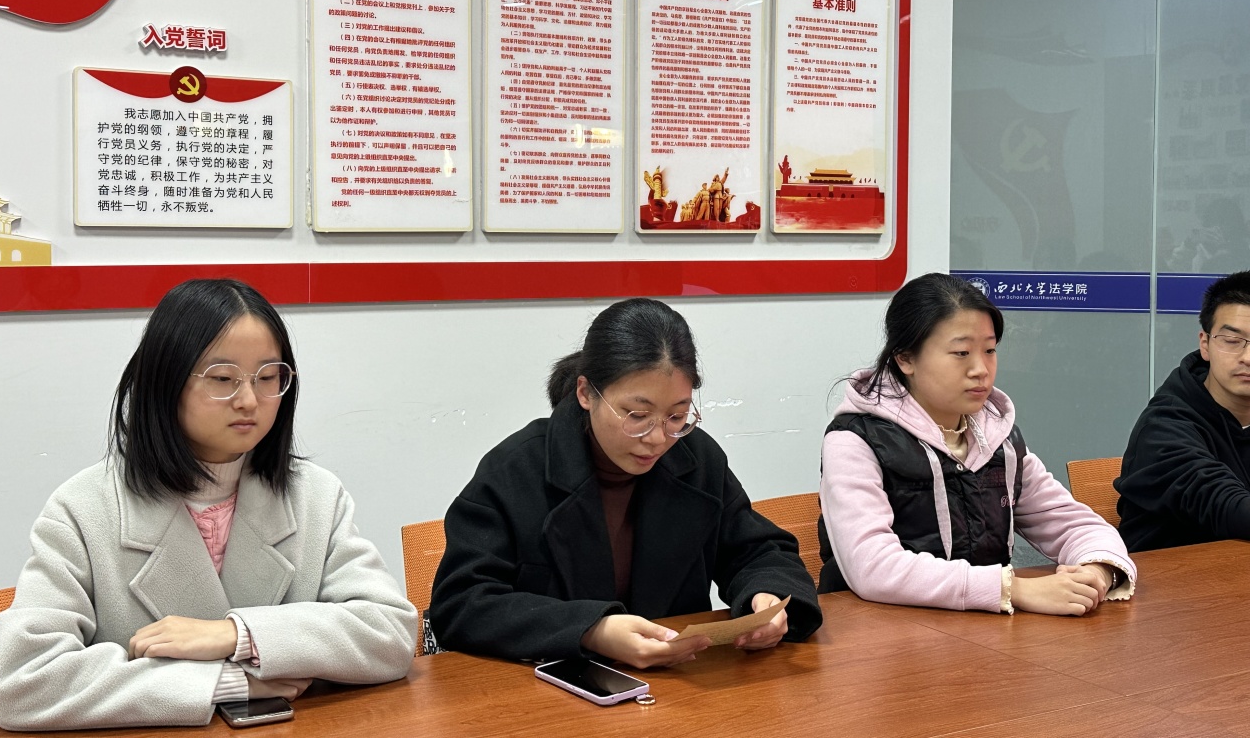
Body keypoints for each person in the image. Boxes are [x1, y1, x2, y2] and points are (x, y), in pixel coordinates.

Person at [0, 279, 417, 731]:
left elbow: (390, 633)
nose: (249, 400)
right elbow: (22, 684)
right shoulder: (83, 509)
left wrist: (237, 634)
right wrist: (224, 682)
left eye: (268, 377)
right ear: (166, 381)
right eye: (222, 379)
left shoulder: (315, 495)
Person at [429, 297, 822, 668]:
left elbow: (759, 552)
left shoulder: (696, 459)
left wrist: (766, 595)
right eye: (637, 415)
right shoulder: (516, 469)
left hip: (679, 685)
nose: (658, 438)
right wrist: (591, 630)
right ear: (586, 392)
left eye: (676, 416)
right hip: (551, 688)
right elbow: (462, 603)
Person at [819, 273, 1136, 616]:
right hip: (879, 633)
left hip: (985, 631)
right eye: (961, 353)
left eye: (989, 350)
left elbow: (1074, 525)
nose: (980, 369)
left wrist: (1095, 572)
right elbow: (873, 567)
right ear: (905, 358)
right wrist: (1013, 589)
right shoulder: (854, 440)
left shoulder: (998, 439)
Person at [1117, 270, 1250, 551]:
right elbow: (1226, 505)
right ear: (1205, 344)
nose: (1247, 357)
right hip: (1169, 576)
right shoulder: (1163, 427)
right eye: (1232, 340)